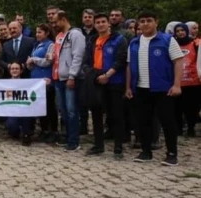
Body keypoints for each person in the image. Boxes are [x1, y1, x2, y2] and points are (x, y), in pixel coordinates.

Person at [126, 10, 184, 165]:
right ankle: (146, 151)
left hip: (163, 88)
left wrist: (177, 84)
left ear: (156, 22)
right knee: (143, 121)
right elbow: (129, 66)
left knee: (167, 121)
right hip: (140, 88)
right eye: (142, 21)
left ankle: (172, 154)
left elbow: (178, 62)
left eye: (149, 20)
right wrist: (128, 87)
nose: (145, 24)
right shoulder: (134, 42)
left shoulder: (167, 40)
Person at [83, 13, 127, 158]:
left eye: (103, 21)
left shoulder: (119, 39)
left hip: (114, 81)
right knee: (96, 114)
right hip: (96, 82)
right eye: (98, 22)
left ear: (108, 23)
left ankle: (118, 147)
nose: (100, 24)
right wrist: (93, 74)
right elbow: (86, 61)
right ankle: (98, 145)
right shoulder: (92, 40)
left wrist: (107, 75)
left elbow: (121, 60)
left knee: (116, 115)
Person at [53, 10, 86, 152]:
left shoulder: (76, 35)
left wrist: (72, 76)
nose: (53, 25)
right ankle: (67, 137)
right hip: (59, 78)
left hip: (70, 78)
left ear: (63, 19)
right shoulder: (60, 36)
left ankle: (74, 140)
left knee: (72, 110)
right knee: (64, 110)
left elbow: (77, 56)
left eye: (56, 21)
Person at [26, 23, 58, 144]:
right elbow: (31, 63)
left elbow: (48, 62)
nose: (37, 34)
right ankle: (44, 130)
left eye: (40, 32)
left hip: (46, 80)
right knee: (40, 107)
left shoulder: (50, 45)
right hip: (35, 80)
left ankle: (53, 131)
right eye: (36, 32)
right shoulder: (36, 45)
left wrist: (34, 60)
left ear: (47, 33)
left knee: (50, 106)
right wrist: (29, 64)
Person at [173, 23, 200, 137]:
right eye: (178, 31)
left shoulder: (195, 44)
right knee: (177, 107)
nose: (180, 33)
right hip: (177, 81)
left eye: (182, 30)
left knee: (192, 107)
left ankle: (191, 127)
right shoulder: (173, 44)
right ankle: (178, 128)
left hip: (193, 81)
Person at [5, 62, 34, 145]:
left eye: (17, 68)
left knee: (27, 116)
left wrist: (44, 83)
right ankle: (15, 132)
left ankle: (26, 134)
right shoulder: (4, 83)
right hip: (11, 112)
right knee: (12, 127)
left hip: (24, 112)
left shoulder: (27, 83)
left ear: (21, 71)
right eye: (12, 69)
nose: (14, 70)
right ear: (10, 71)